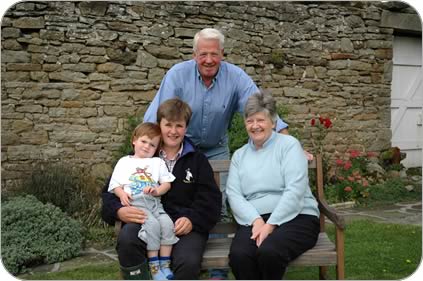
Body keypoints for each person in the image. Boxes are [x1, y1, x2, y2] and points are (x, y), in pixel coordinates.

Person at [143, 27, 289, 279]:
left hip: (215, 149)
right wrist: (146, 154)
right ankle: (179, 259)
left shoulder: (236, 77)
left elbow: (259, 110)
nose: (208, 60)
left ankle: (217, 270)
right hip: (179, 147)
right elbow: (161, 117)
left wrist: (288, 145)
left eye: (214, 54)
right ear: (194, 54)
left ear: (222, 53)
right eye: (203, 54)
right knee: (172, 200)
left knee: (217, 206)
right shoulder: (177, 74)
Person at [102, 98, 222, 280]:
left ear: (186, 128)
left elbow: (210, 200)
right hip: (143, 219)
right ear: (160, 125)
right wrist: (119, 211)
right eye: (168, 125)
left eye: (179, 126)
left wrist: (192, 219)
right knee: (128, 239)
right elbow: (109, 193)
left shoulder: (197, 160)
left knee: (187, 262)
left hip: (182, 227)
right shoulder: (137, 158)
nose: (173, 131)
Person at [226, 91, 320, 280]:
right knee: (239, 255)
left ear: (274, 122)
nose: (255, 126)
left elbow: (295, 190)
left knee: (270, 252)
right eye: (250, 121)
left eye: (260, 120)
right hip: (255, 220)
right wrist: (257, 221)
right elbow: (233, 194)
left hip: (298, 217)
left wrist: (270, 225)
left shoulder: (289, 146)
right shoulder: (239, 155)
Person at [108, 122, 178, 280]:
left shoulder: (157, 163)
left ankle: (165, 265)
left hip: (154, 203)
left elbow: (167, 183)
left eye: (152, 144)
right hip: (137, 203)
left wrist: (156, 190)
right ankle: (154, 267)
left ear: (157, 149)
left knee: (167, 224)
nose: (147, 147)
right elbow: (115, 185)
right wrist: (121, 195)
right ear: (134, 140)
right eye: (143, 141)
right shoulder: (124, 162)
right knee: (152, 225)